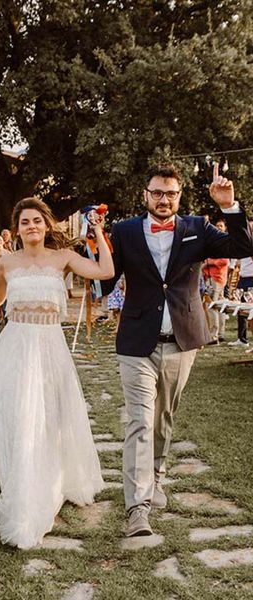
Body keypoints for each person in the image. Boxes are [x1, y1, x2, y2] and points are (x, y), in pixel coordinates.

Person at [109, 163, 253, 538]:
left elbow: (242, 247)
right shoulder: (124, 231)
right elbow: (106, 275)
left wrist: (230, 206)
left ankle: (156, 474)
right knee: (139, 421)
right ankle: (137, 509)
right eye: (156, 192)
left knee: (163, 417)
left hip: (182, 339)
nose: (163, 199)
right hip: (136, 342)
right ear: (145, 195)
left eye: (171, 193)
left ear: (179, 196)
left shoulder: (197, 228)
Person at [0, 196, 114, 550]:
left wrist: (98, 233)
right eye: (25, 222)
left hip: (50, 344)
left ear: (46, 224)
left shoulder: (64, 259)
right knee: (23, 414)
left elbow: (105, 272)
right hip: (16, 345)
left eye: (37, 221)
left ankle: (54, 477)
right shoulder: (6, 261)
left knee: (52, 414)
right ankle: (24, 484)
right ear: (17, 228)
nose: (32, 227)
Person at [202, 219, 229, 344]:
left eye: (220, 226)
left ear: (225, 228)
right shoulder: (215, 240)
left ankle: (214, 336)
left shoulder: (224, 241)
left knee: (211, 306)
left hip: (216, 278)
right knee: (220, 306)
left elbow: (224, 261)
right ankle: (220, 334)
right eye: (216, 225)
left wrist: (208, 263)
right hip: (212, 278)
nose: (218, 227)